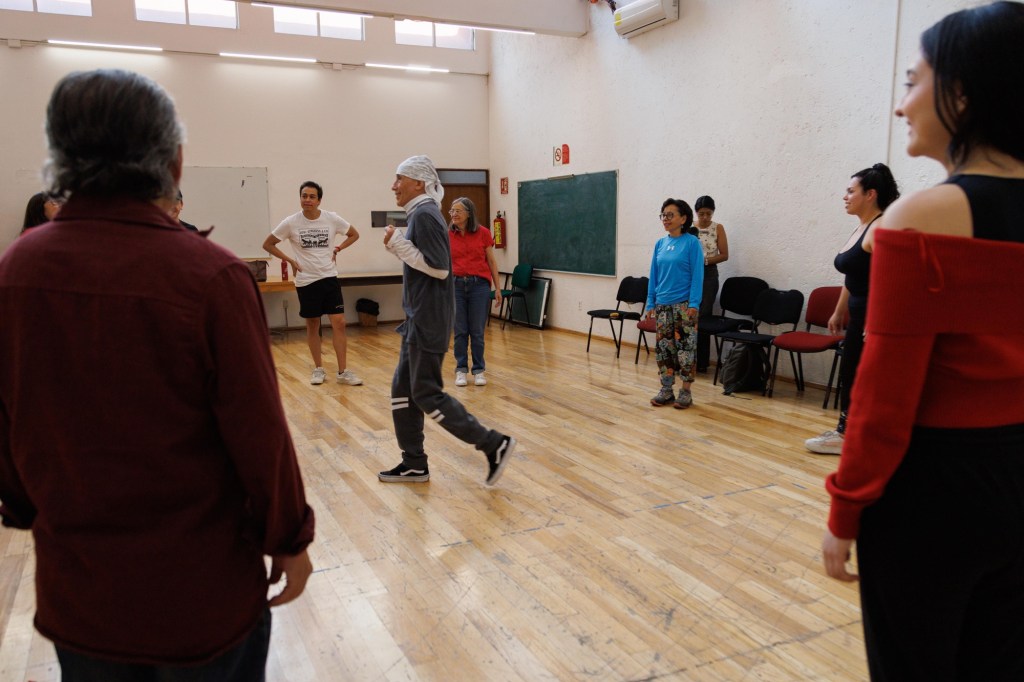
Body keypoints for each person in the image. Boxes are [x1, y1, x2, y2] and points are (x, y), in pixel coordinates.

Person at [0, 68, 314, 681]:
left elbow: (8, 420)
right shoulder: (211, 277)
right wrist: (288, 537)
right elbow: (259, 434)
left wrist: (24, 507)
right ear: (172, 163)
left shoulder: (15, 273)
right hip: (202, 598)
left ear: (60, 160)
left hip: (81, 592)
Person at [822, 3, 1024, 680]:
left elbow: (884, 393)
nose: (903, 104)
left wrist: (846, 506)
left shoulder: (924, 215)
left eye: (914, 82)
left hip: (936, 490)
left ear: (962, 94)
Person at [379, 155, 515, 485]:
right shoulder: (421, 214)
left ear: (419, 184)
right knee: (402, 388)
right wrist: (401, 245)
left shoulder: (425, 215)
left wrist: (398, 245)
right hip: (418, 317)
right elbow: (427, 262)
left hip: (430, 318)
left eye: (400, 179)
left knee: (425, 392)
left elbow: (439, 268)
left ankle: (492, 443)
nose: (394, 185)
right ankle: (414, 462)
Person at [804, 163, 900, 455]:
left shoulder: (881, 226)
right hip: (858, 313)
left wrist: (875, 321)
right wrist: (837, 311)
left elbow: (890, 279)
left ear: (870, 194)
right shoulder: (861, 227)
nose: (845, 196)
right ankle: (848, 431)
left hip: (873, 315)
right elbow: (853, 275)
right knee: (851, 371)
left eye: (850, 191)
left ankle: (856, 435)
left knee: (864, 376)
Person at [262, 181, 362, 386]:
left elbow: (354, 234)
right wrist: (289, 260)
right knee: (313, 324)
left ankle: (343, 372)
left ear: (319, 200)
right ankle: (318, 369)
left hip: (329, 277)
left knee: (340, 323)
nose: (307, 200)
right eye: (304, 196)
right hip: (306, 281)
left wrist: (338, 248)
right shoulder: (291, 222)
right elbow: (268, 244)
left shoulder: (331, 218)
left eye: (311, 196)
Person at [646, 198, 703, 409]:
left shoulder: (691, 243)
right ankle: (666, 389)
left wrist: (694, 304)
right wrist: (650, 303)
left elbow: (698, 276)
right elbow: (654, 275)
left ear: (683, 218)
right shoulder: (660, 244)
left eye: (670, 215)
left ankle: (685, 391)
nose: (666, 219)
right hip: (662, 305)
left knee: (686, 349)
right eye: (663, 215)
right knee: (664, 349)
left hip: (684, 305)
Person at [448, 196, 501, 387]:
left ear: (469, 213)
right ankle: (461, 369)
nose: (454, 214)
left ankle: (478, 370)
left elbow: (492, 262)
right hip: (455, 286)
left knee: (477, 331)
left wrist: (497, 288)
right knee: (460, 330)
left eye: (458, 211)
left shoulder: (483, 233)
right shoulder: (448, 234)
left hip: (479, 285)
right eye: (452, 211)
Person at [692, 195, 729, 373]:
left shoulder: (718, 228)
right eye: (701, 214)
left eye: (708, 213)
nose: (705, 217)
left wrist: (705, 261)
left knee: (703, 315)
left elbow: (724, 254)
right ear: (696, 213)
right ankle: (687, 358)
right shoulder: (690, 228)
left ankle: (702, 362)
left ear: (713, 212)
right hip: (690, 274)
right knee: (688, 315)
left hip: (708, 274)